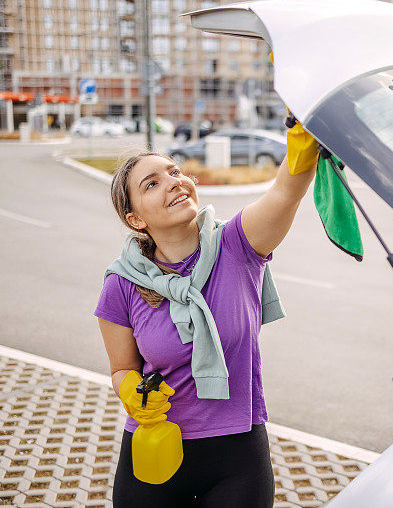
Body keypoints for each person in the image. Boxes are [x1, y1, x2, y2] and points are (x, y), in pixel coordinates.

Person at [94, 122, 318, 507]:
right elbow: (121, 369)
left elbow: (286, 191)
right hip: (154, 452)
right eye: (152, 184)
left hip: (237, 455)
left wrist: (305, 130)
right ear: (136, 220)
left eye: (175, 172)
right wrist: (130, 390)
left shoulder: (238, 246)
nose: (174, 182)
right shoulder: (121, 283)